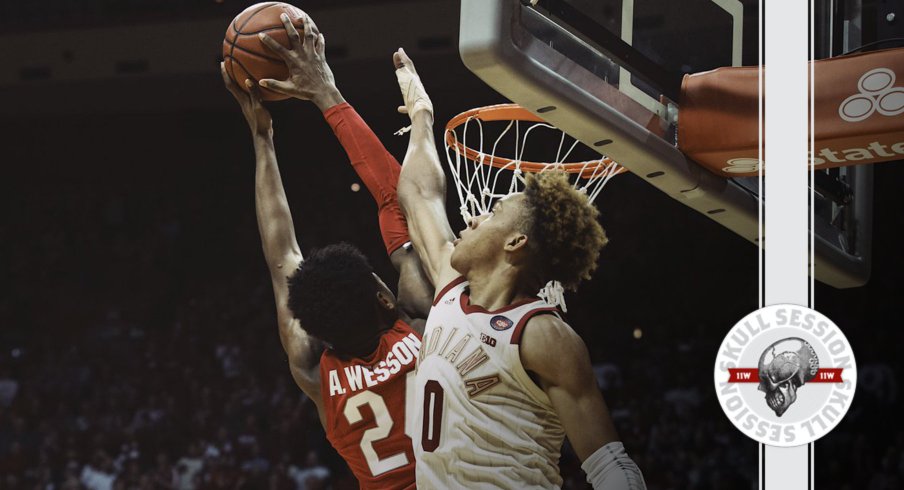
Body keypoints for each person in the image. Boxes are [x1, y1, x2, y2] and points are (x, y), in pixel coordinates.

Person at [393, 49, 647, 489]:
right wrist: (421, 112)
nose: (472, 218)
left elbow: (609, 465)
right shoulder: (451, 288)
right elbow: (418, 192)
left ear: (515, 242)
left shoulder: (542, 335)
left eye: (490, 212)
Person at [220, 12, 430, 489]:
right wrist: (325, 93)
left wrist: (261, 137)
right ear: (384, 298)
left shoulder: (313, 370)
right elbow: (397, 198)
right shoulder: (422, 329)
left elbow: (280, 257)